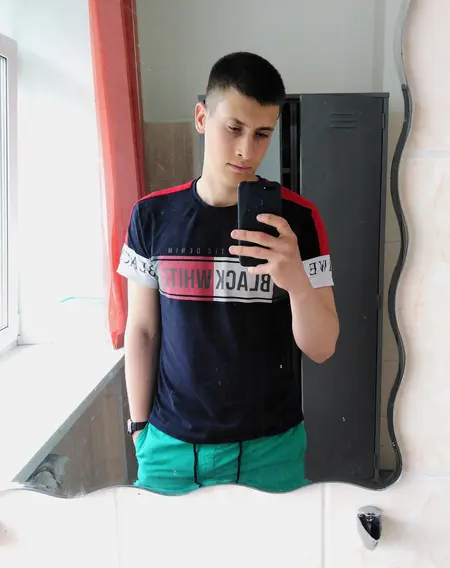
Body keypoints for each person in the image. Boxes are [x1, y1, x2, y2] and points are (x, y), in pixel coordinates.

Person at [117, 51, 339, 495]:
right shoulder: (151, 216)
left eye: (262, 134)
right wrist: (140, 427)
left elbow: (322, 348)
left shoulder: (298, 219)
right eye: (234, 128)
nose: (246, 150)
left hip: (270, 450)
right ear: (202, 118)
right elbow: (141, 331)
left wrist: (296, 282)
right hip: (169, 448)